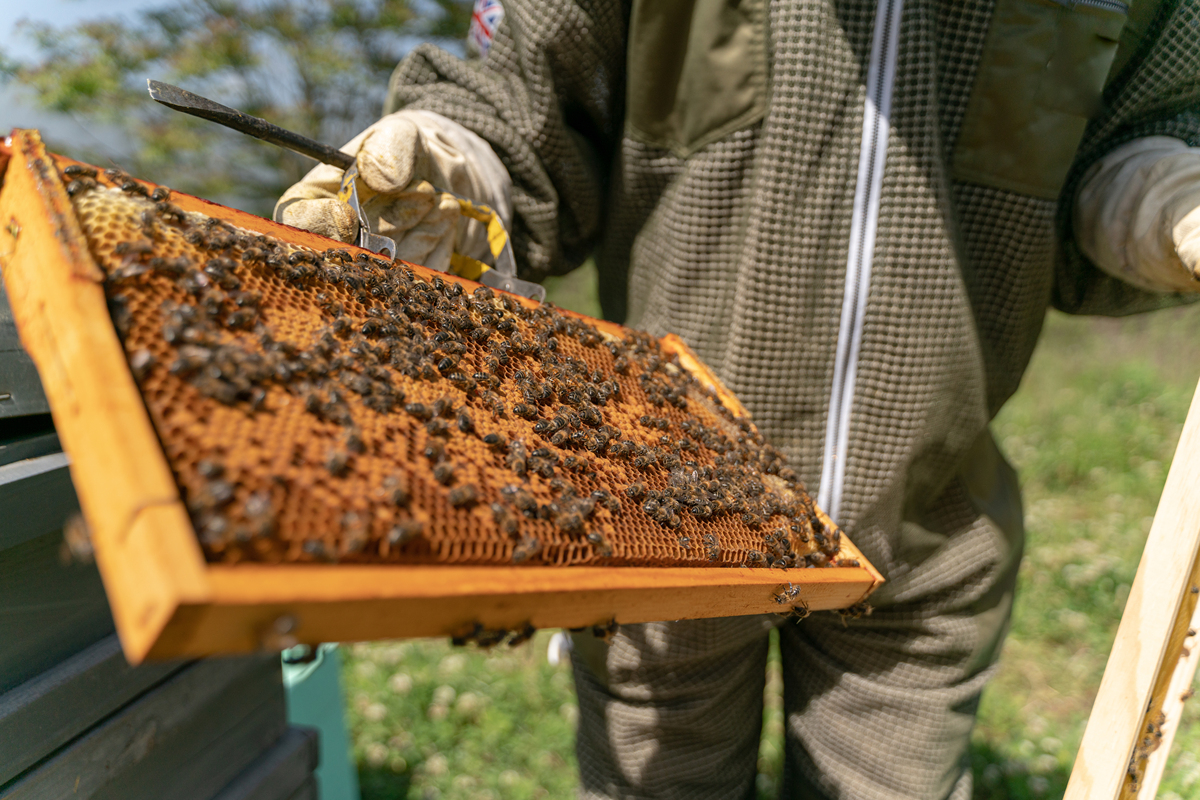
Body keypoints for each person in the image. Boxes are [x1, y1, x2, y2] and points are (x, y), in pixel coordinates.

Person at [276, 2, 1200, 797]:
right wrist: (454, 159)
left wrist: (1161, 195)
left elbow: (1122, 132)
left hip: (929, 524)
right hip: (660, 520)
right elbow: (525, 97)